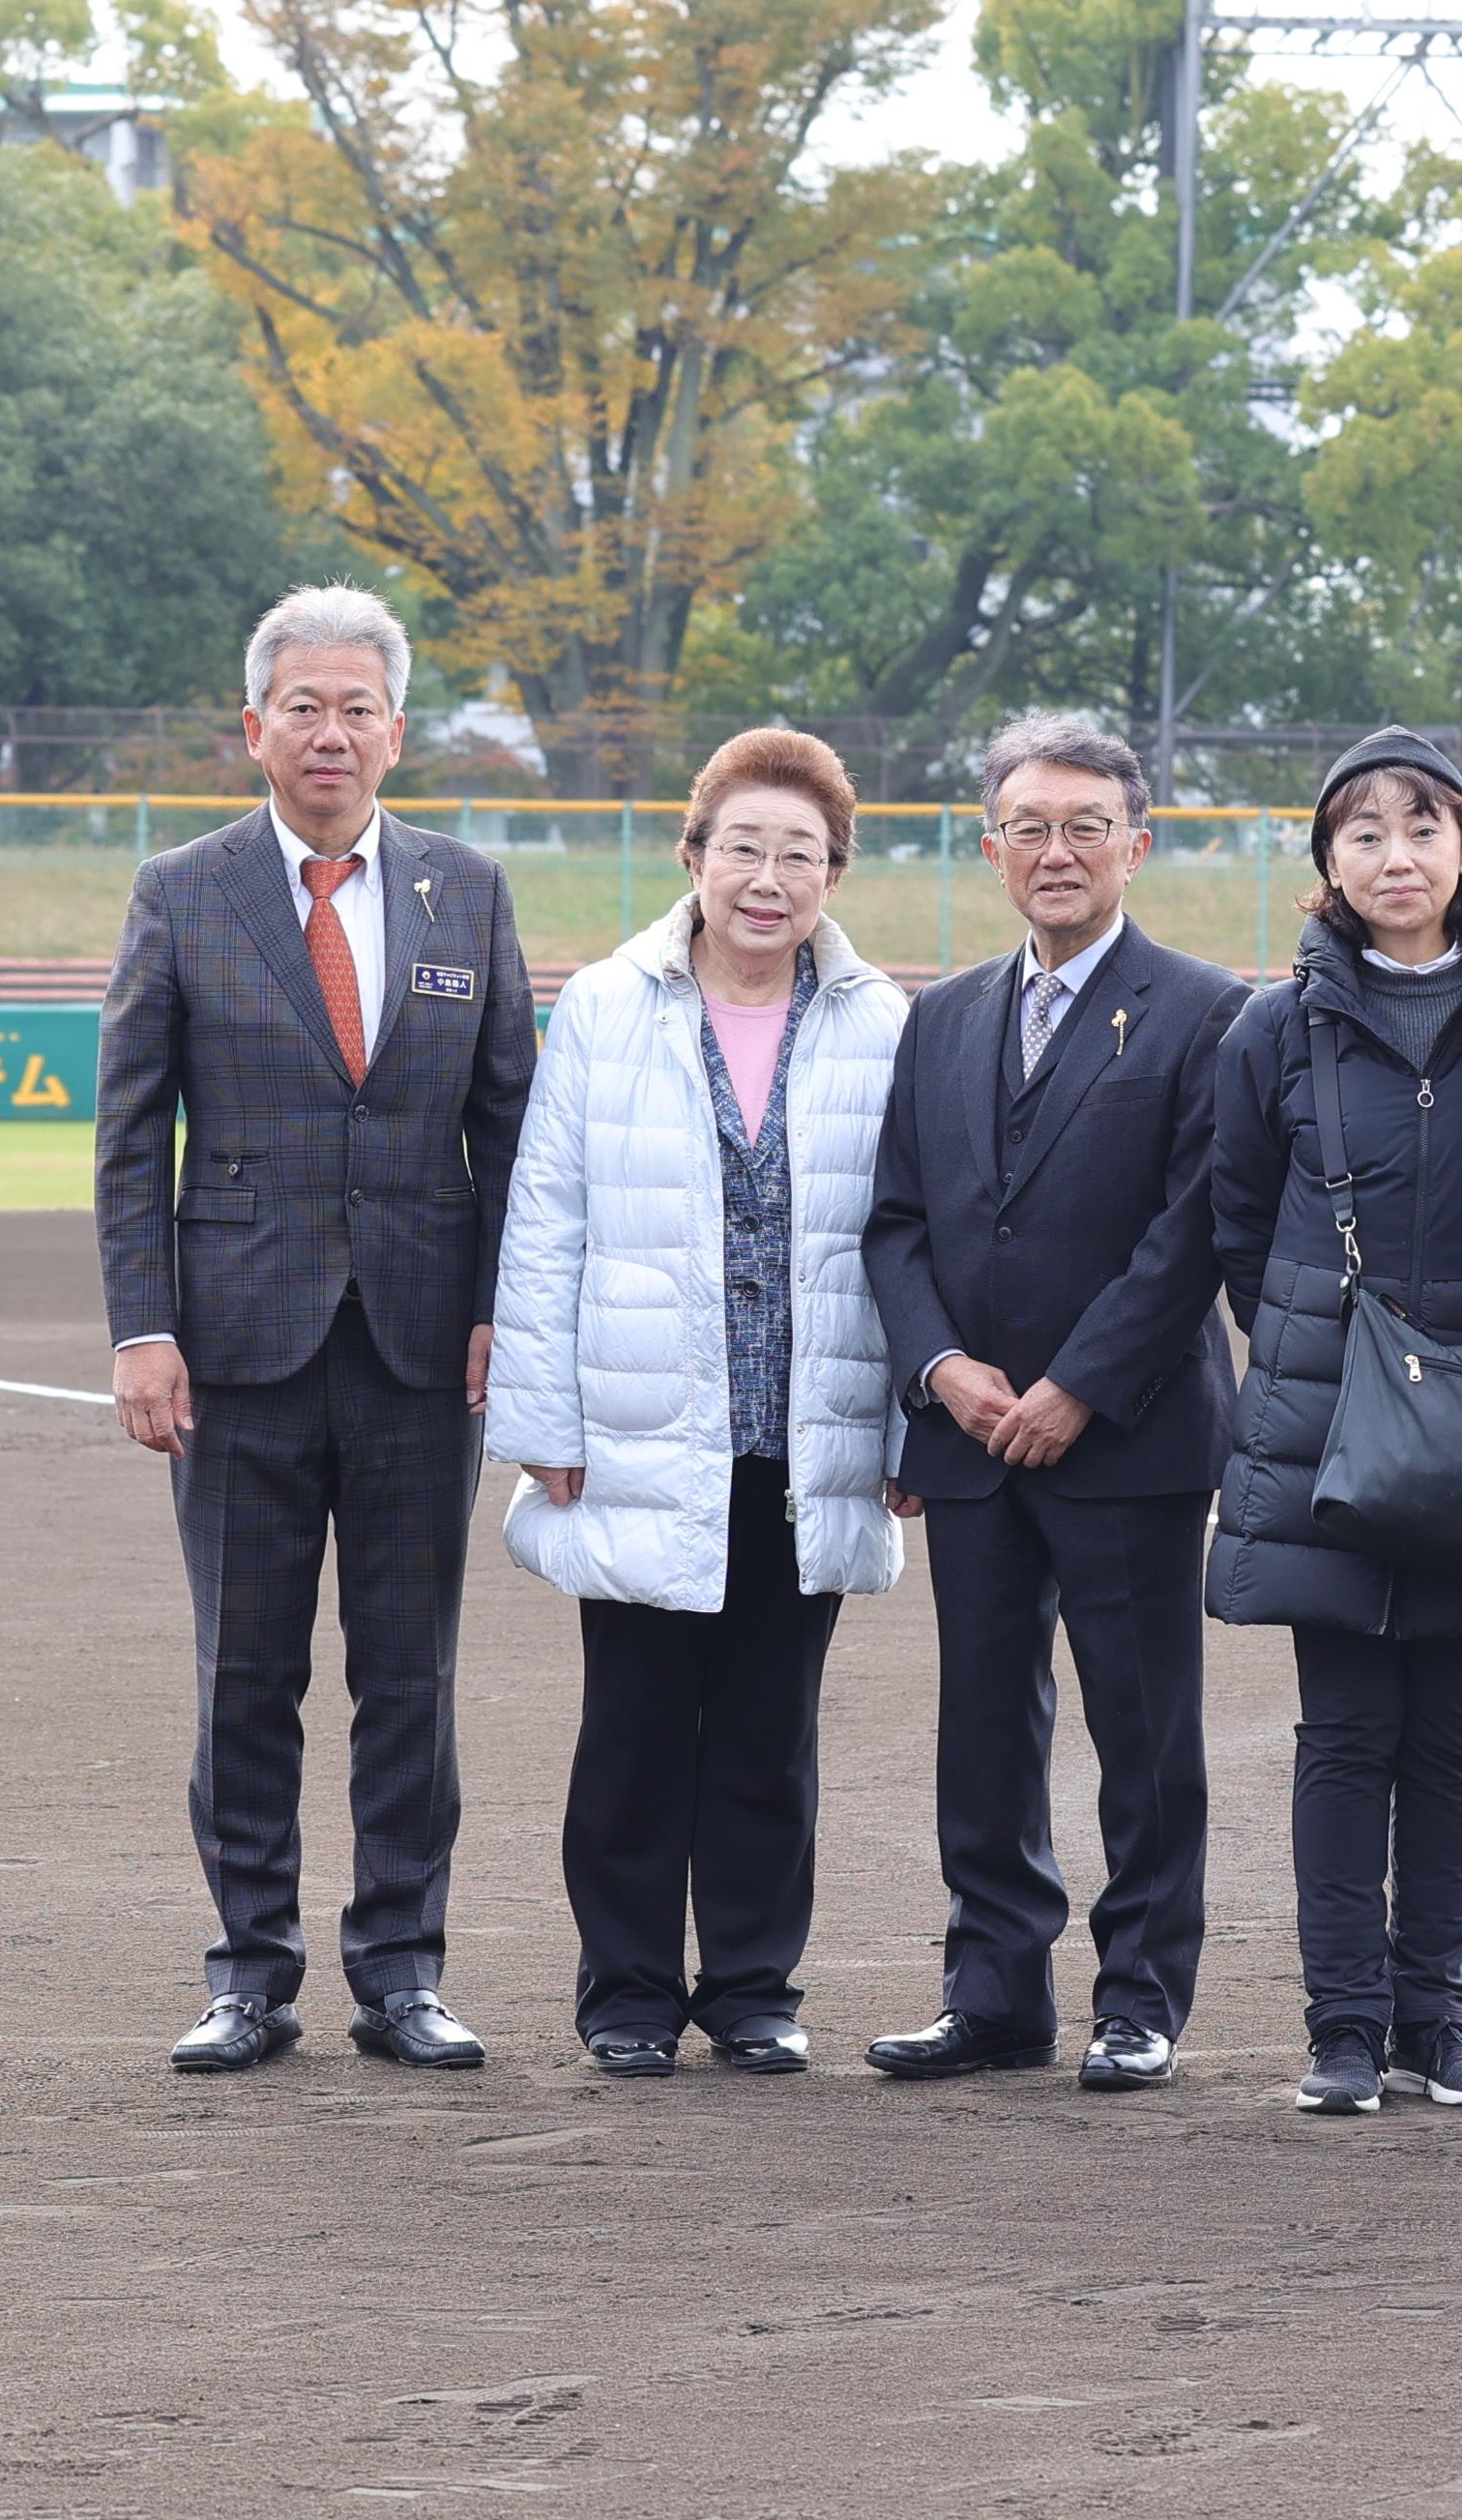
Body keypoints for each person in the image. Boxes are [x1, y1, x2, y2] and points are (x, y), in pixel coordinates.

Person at [93, 584, 541, 2076]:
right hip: (236, 1353)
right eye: (305, 706)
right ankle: (249, 1974)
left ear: (396, 732)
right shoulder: (183, 889)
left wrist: (501, 1314)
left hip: (424, 1354)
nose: (331, 732)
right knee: (245, 1674)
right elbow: (128, 1133)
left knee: (410, 1675)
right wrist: (141, 1327)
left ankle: (403, 1970)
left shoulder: (465, 892)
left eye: (358, 709)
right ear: (255, 730)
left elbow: (512, 1128)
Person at [483, 727, 908, 2076]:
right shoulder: (610, 1006)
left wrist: (908, 1429)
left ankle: (752, 1990)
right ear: (694, 858)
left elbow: (915, 1234)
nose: (768, 878)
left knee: (772, 1731)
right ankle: (623, 1994)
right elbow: (545, 1218)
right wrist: (543, 1421)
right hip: (642, 1422)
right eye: (744, 848)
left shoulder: (881, 1020)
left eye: (799, 854)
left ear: (834, 873)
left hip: (807, 1427)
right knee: (636, 1724)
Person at [862, 711, 1251, 2092]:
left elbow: (1193, 1227)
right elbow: (897, 1221)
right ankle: (995, 1992)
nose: (1058, 850)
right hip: (969, 1441)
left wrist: (1079, 1385)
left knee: (1143, 1732)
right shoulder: (944, 1015)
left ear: (1136, 844)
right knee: (985, 1723)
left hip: (1126, 1440)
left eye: (1087, 825)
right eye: (1029, 826)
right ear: (992, 847)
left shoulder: (1208, 1012)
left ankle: (1140, 1993)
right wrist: (941, 1371)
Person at [1207, 728, 1462, 2118]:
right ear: (1327, 863)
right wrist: (1340, 1350)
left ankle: (1439, 2022)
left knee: (1451, 1737)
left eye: (1421, 827)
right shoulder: (1275, 1024)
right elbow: (1240, 1223)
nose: (1394, 856)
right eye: (1361, 833)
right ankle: (1344, 2031)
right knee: (1345, 1732)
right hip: (1331, 1414)